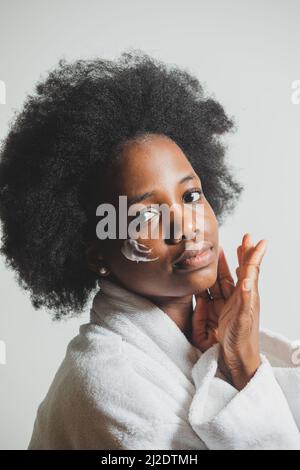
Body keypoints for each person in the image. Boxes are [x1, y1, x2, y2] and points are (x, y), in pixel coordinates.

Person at [0, 50, 299, 450]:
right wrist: (243, 368)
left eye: (191, 195)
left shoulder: (201, 343)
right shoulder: (110, 387)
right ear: (97, 256)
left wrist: (230, 363)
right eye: (145, 215)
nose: (186, 225)